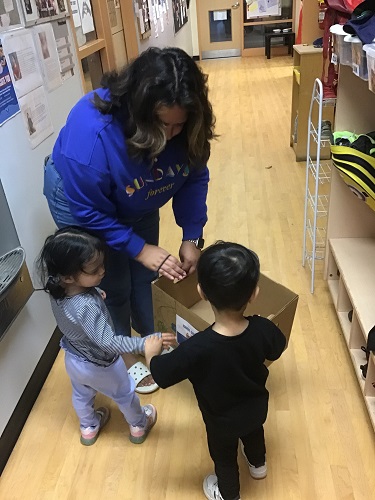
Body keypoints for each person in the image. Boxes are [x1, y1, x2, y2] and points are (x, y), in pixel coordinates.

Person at [43, 46, 216, 394]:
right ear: (139, 111)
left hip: (135, 194)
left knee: (146, 273)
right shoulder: (92, 134)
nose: (171, 134)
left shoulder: (185, 126)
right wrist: (137, 247)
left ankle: (150, 336)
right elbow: (90, 212)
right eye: (163, 124)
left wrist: (191, 235)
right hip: (84, 204)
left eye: (179, 125)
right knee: (111, 282)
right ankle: (124, 355)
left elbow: (192, 173)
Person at [144, 242, 287, 500]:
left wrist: (151, 354)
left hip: (221, 420)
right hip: (256, 408)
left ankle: (228, 494)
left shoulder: (196, 347)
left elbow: (162, 374)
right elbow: (277, 349)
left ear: (202, 292)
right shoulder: (263, 328)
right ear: (254, 293)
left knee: (224, 458)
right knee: (254, 434)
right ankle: (258, 465)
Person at [36, 226, 175, 446]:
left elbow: (75, 314)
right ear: (69, 277)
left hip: (74, 359)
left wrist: (94, 292)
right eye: (94, 270)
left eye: (102, 264)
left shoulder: (57, 289)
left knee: (81, 395)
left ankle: (89, 427)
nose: (102, 271)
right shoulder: (87, 306)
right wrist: (144, 343)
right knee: (125, 393)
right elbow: (109, 342)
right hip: (102, 364)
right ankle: (139, 424)